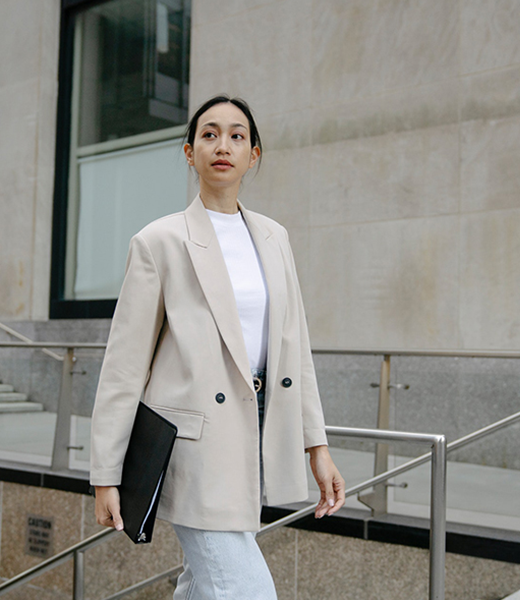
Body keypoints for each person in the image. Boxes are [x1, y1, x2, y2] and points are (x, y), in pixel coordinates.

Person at [90, 95, 345, 600]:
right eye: (208, 134)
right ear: (189, 152)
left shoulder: (274, 237)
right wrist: (105, 472)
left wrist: (318, 446)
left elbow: (295, 351)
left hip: (256, 440)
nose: (222, 145)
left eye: (236, 135)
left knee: (205, 586)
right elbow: (124, 366)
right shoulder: (159, 241)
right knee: (246, 591)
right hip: (194, 447)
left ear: (254, 154)